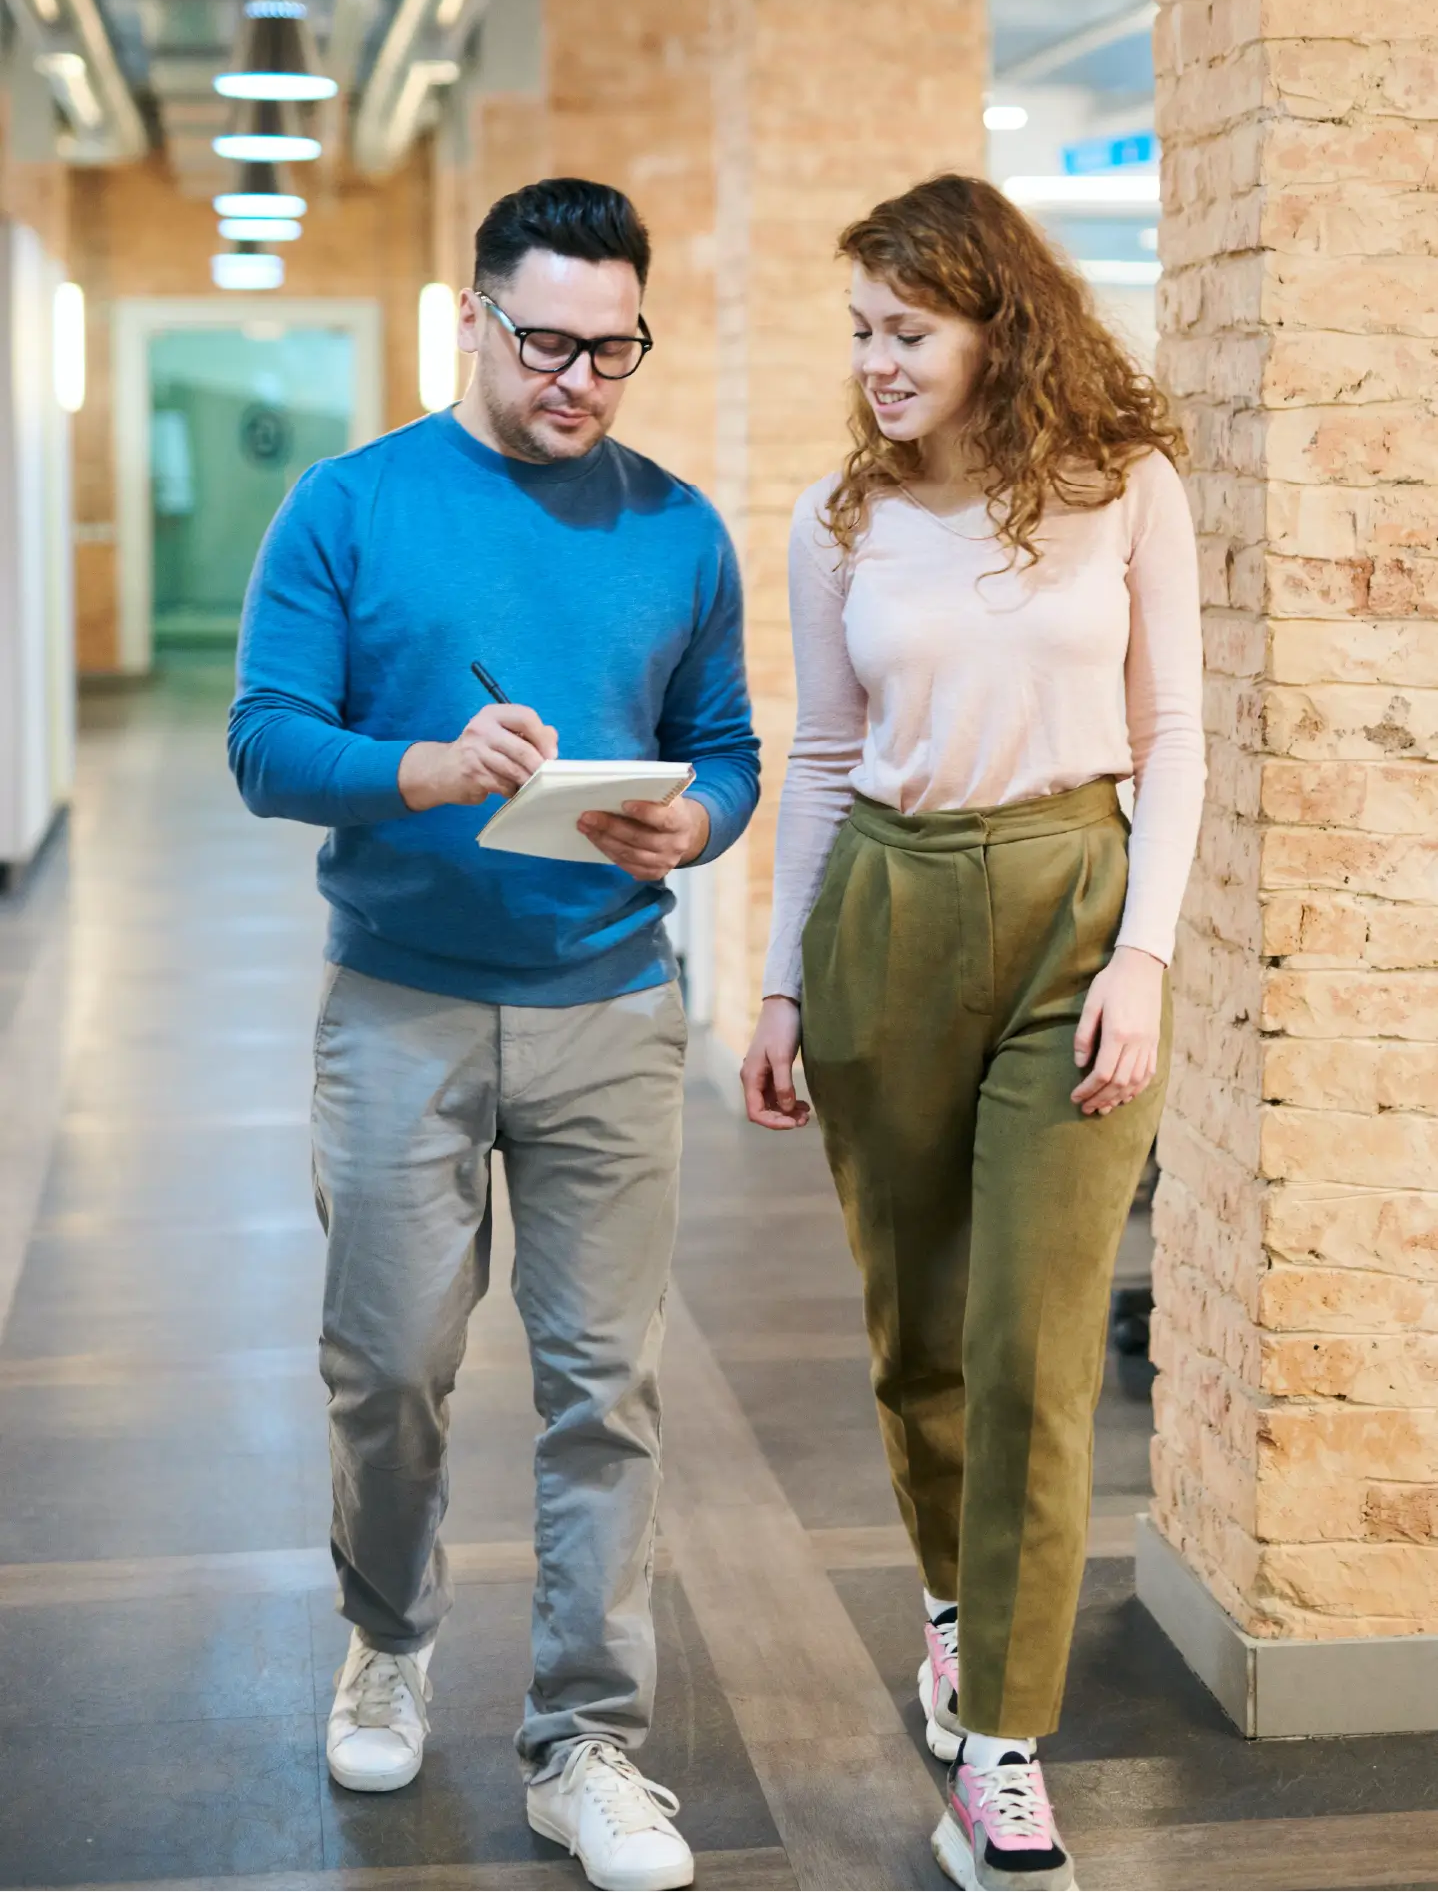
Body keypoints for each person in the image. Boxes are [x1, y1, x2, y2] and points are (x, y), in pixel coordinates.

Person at [230, 178, 759, 1892]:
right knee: (386, 1367)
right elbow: (263, 745)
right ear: (473, 320)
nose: (583, 380)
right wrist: (430, 770)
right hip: (399, 1006)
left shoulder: (678, 526)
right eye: (548, 343)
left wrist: (703, 825)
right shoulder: (350, 506)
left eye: (616, 349)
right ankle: (387, 1637)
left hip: (610, 1005)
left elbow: (728, 744)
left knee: (607, 1390)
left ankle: (585, 1740)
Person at [740, 174, 1204, 1892]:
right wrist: (783, 981)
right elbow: (822, 762)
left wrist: (1144, 958)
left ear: (997, 325)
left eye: (906, 331)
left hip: (1075, 907)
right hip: (886, 912)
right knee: (916, 1326)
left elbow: (1176, 737)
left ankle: (1000, 1745)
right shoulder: (836, 521)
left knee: (1033, 1341)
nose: (873, 362)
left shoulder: (1119, 488)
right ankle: (954, 1605)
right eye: (859, 331)